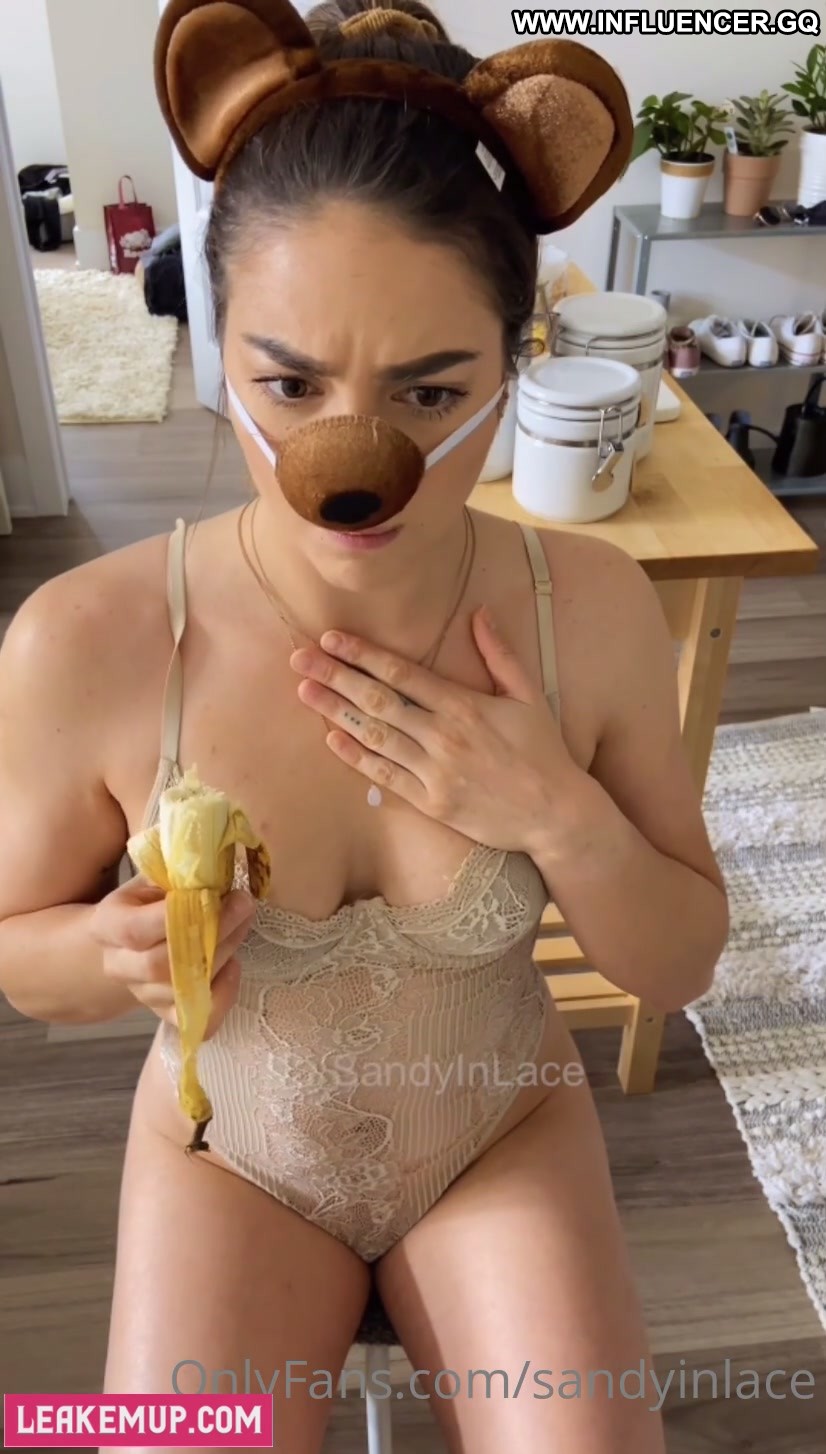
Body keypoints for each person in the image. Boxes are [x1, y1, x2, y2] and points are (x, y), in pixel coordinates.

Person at [0, 1, 729, 1449]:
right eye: (288, 384)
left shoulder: (583, 608)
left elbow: (680, 961)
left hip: (498, 1127)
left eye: (429, 390)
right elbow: (21, 959)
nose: (352, 456)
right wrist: (107, 951)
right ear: (218, 351)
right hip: (227, 1149)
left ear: (514, 362)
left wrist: (559, 816)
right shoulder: (87, 641)